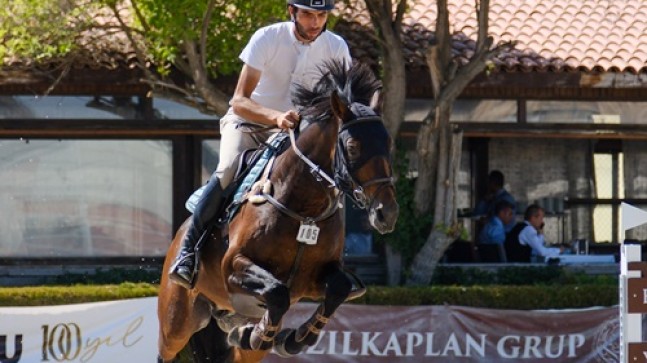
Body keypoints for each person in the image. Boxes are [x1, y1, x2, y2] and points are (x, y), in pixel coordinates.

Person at [169, 0, 352, 289]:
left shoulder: (337, 47)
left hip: (292, 134)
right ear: (292, 11)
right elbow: (239, 101)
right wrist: (276, 117)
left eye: (321, 15)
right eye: (307, 14)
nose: (315, 22)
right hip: (247, 125)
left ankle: (332, 263)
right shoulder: (267, 38)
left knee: (327, 180)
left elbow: (340, 103)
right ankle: (188, 253)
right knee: (227, 170)